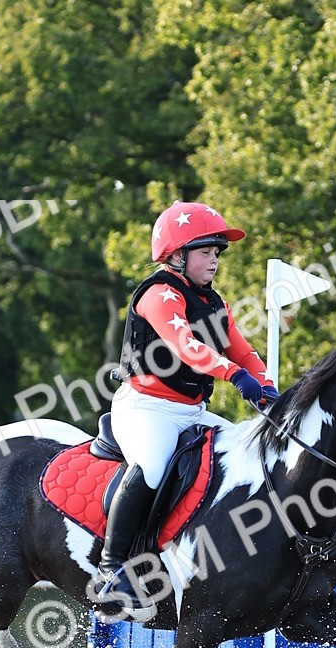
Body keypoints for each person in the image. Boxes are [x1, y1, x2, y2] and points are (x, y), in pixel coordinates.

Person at [93, 200, 279, 612]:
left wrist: (267, 387)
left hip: (191, 411)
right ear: (177, 255)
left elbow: (244, 352)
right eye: (205, 251)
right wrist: (235, 377)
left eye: (217, 253)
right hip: (146, 408)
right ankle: (112, 568)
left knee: (244, 455)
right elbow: (186, 347)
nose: (214, 260)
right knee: (152, 466)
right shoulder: (159, 294)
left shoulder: (215, 303)